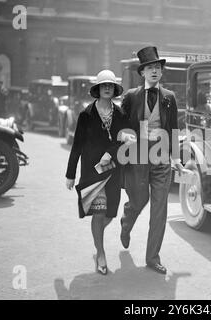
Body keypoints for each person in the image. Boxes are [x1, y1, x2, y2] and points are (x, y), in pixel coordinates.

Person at [119, 46, 186, 275]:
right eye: (150, 68)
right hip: (138, 156)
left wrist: (176, 158)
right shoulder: (130, 97)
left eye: (158, 67)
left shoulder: (169, 97)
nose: (155, 71)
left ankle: (152, 257)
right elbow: (119, 126)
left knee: (160, 209)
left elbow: (174, 129)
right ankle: (127, 221)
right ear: (143, 73)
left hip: (162, 159)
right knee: (139, 201)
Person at [65, 70, 127, 275]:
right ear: (98, 90)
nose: (107, 88)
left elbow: (123, 141)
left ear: (114, 89)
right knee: (98, 213)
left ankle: (97, 233)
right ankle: (100, 253)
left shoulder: (120, 115)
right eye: (103, 85)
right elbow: (77, 145)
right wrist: (70, 173)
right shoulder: (86, 114)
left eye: (110, 85)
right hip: (92, 172)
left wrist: (111, 153)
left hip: (113, 171)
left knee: (110, 213)